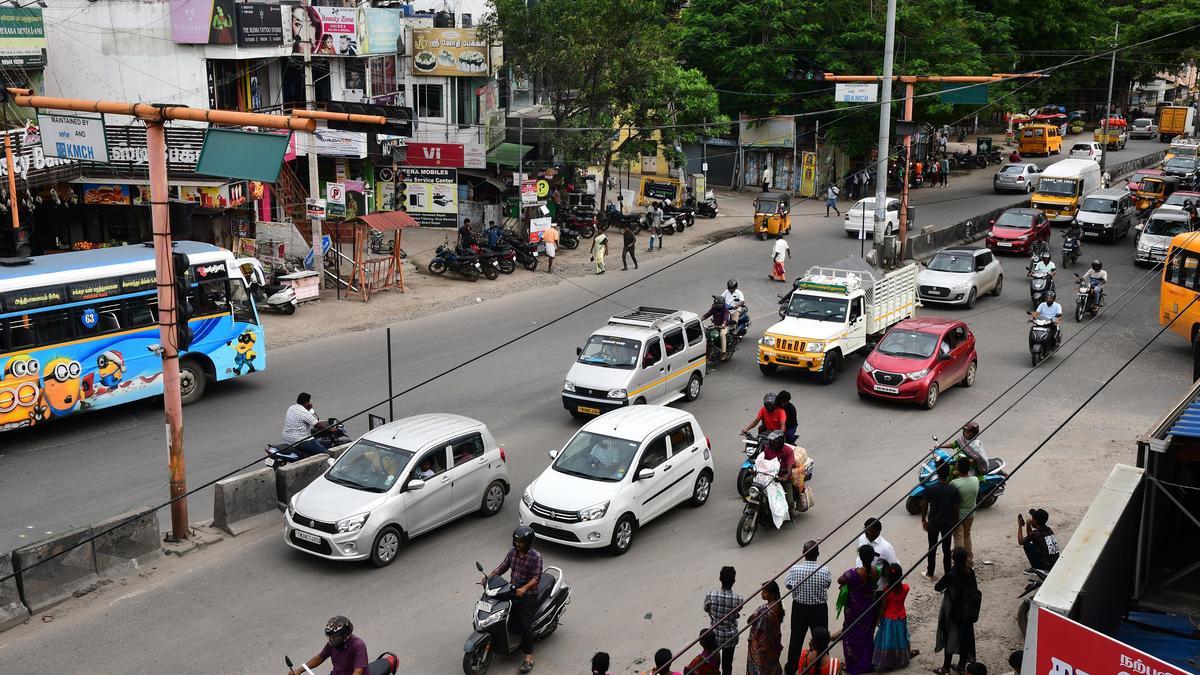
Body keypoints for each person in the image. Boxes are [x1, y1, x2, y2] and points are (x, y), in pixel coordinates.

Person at [491, 527, 543, 673]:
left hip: (528, 594)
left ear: (528, 543)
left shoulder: (536, 557)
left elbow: (536, 578)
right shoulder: (512, 553)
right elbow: (502, 567)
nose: (517, 543)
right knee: (494, 603)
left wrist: (524, 588)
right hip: (513, 590)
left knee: (526, 625)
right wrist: (490, 577)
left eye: (520, 541)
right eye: (516, 540)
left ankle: (528, 657)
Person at [784, 541, 831, 675]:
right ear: (818, 554)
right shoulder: (824, 570)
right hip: (819, 609)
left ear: (803, 553)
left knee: (796, 639)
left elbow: (788, 585)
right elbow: (827, 584)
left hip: (800, 609)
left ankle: (792, 668)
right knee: (821, 638)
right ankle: (823, 666)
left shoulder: (794, 570)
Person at [934, 547, 978, 674]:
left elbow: (937, 587)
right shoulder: (970, 572)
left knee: (949, 637)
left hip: (953, 612)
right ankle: (961, 665)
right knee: (965, 638)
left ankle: (946, 667)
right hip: (968, 611)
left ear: (953, 560)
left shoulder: (951, 575)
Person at [837, 545, 879, 674]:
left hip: (854, 610)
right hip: (868, 609)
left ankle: (853, 665)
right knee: (867, 635)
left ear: (860, 558)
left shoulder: (853, 573)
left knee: (852, 636)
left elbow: (840, 580)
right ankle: (866, 664)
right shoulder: (875, 571)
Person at [288, 615, 368, 675]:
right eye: (330, 637)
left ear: (345, 635)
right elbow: (319, 658)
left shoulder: (358, 645)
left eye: (335, 637)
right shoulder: (333, 643)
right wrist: (299, 670)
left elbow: (358, 671)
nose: (332, 640)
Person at [921, 462, 961, 580]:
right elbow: (956, 509)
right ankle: (948, 573)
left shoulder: (930, 488)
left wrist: (924, 520)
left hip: (933, 523)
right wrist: (954, 523)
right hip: (947, 524)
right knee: (946, 550)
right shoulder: (953, 490)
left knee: (932, 548)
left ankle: (930, 573)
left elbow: (924, 505)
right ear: (948, 473)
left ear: (937, 473)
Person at [871, 563, 914, 671]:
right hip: (901, 616)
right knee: (900, 638)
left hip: (889, 618)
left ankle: (888, 662)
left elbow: (883, 606)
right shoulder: (906, 588)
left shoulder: (887, 590)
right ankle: (900, 658)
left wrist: (878, 618)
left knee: (888, 640)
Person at [704, 566, 744, 675]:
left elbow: (706, 608)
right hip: (730, 637)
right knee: (727, 664)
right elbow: (737, 611)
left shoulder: (710, 595)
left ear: (720, 578)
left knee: (712, 663)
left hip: (715, 635)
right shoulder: (739, 599)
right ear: (734, 581)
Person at [747, 580, 785, 675]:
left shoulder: (764, 610)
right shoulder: (779, 605)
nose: (761, 594)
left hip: (762, 644)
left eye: (764, 592)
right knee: (771, 664)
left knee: (760, 667)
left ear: (771, 595)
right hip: (773, 642)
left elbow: (750, 620)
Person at [856, 518, 900, 598]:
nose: (866, 532)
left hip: (876, 589)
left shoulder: (886, 547)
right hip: (860, 583)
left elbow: (895, 567)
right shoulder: (862, 538)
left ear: (877, 532)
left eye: (868, 531)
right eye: (865, 529)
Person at [950, 457, 980, 559]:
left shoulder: (954, 483)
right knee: (967, 536)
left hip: (958, 515)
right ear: (969, 468)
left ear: (958, 469)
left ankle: (959, 562)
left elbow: (952, 499)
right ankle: (969, 561)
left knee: (959, 537)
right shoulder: (975, 480)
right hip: (971, 514)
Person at [282, 392, 326, 458]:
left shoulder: (291, 408)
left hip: (287, 438)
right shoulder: (304, 412)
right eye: (308, 402)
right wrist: (331, 429)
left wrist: (307, 409)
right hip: (300, 440)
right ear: (306, 403)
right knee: (325, 453)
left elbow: (302, 417)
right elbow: (317, 424)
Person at [702, 295, 733, 361]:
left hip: (723, 326)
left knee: (722, 335)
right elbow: (706, 315)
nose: (716, 305)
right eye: (715, 303)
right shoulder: (713, 308)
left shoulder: (725, 310)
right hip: (715, 325)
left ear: (722, 304)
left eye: (718, 304)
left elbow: (725, 319)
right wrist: (698, 320)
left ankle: (724, 353)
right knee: (707, 334)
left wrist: (723, 325)